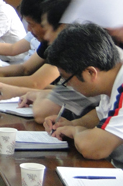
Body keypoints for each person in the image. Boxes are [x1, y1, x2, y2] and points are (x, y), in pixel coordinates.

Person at [44, 24, 123, 168]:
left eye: (67, 79)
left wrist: (76, 131)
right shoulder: (112, 77)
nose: (68, 86)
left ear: (90, 72)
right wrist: (71, 124)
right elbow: (102, 115)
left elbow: (92, 148)